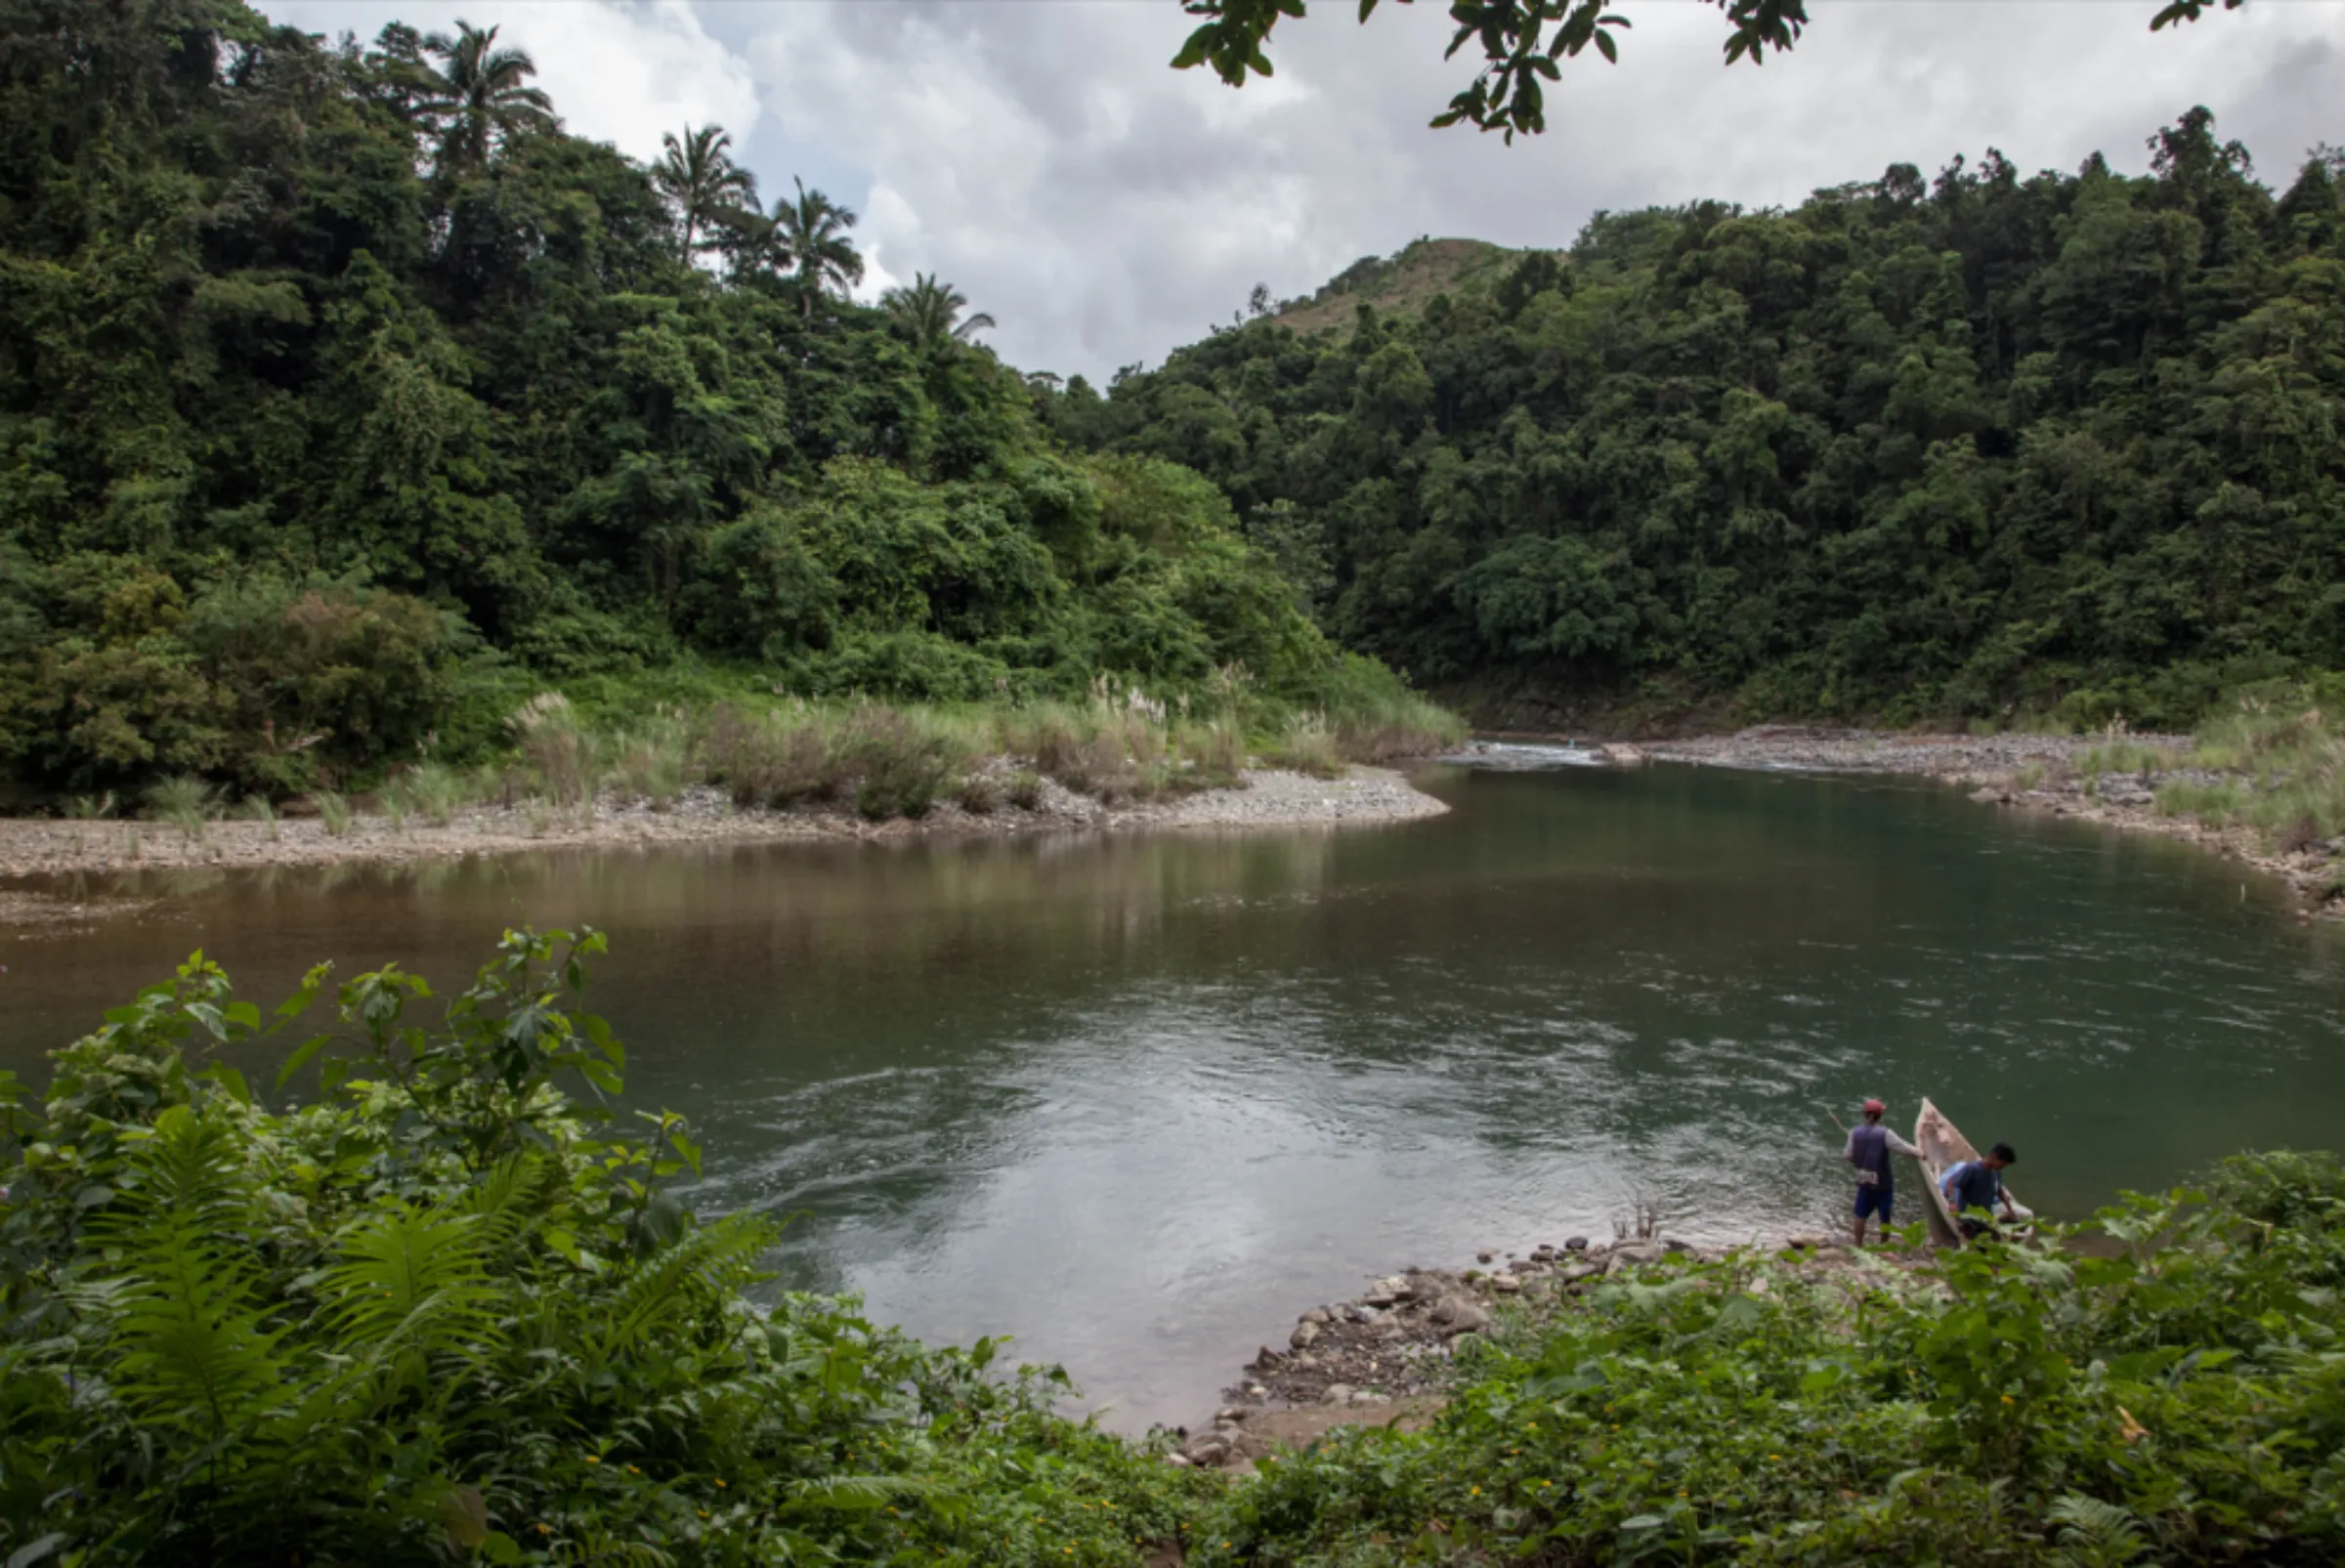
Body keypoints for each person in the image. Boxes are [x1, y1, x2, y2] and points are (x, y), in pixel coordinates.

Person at [1846, 1097, 1922, 1246]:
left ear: (1864, 1114)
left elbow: (1848, 1155)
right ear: (1880, 1115)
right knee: (1885, 1215)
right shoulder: (1885, 1133)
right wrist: (1920, 1153)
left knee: (1860, 1214)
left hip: (1864, 1179)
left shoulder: (1854, 1132)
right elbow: (1904, 1149)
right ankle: (1884, 1245)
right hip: (1882, 1182)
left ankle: (1858, 1245)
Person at [1940, 1142, 2020, 1240]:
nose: (2002, 1167)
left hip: (1985, 1215)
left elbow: (1999, 1190)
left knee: (1998, 1237)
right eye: (2002, 1164)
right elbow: (1951, 1183)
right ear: (1994, 1157)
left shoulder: (1996, 1172)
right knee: (1978, 1241)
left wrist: (2010, 1209)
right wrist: (1952, 1202)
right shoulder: (1972, 1169)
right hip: (1969, 1216)